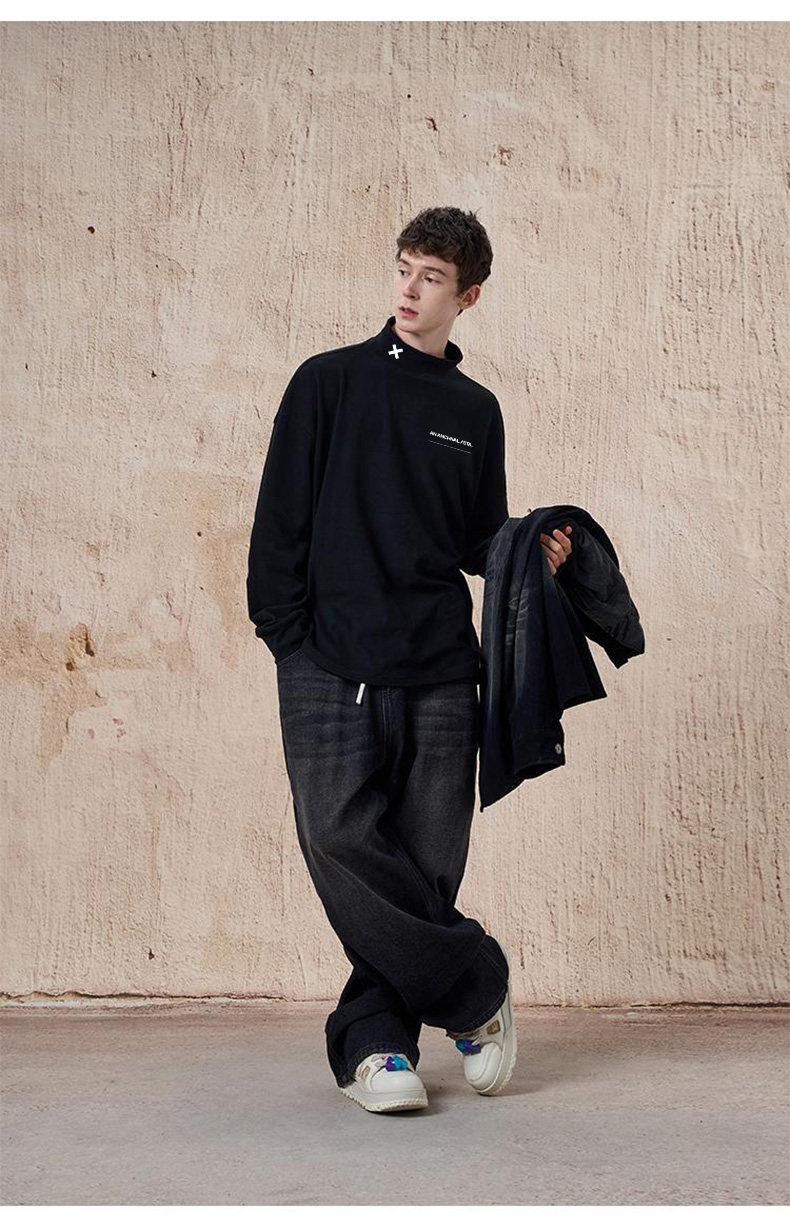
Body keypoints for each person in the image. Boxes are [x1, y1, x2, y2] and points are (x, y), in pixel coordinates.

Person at [246, 206, 572, 1113]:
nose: (409, 289)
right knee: (338, 836)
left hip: (439, 670)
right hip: (328, 663)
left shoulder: (475, 411)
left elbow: (474, 537)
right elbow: (279, 521)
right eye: (403, 268)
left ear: (469, 296)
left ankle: (378, 1048)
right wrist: (288, 640)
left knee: (425, 868)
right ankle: (476, 989)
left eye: (431, 277)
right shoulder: (327, 382)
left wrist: (527, 547)